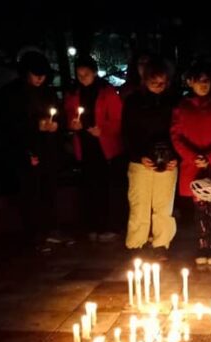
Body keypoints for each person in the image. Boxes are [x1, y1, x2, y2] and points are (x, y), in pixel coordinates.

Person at [0, 51, 64, 252]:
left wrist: (56, 125)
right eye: (35, 74)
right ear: (25, 72)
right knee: (30, 193)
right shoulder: (11, 93)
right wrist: (35, 125)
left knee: (49, 190)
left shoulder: (48, 92)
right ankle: (35, 236)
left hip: (47, 150)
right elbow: (6, 123)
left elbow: (58, 114)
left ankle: (52, 229)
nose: (40, 78)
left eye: (43, 74)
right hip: (24, 151)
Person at [170, 60, 211, 266]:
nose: (203, 84)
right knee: (199, 208)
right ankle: (202, 243)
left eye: (206, 80)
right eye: (199, 81)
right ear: (190, 82)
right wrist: (193, 157)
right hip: (194, 166)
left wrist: (210, 157)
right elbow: (176, 136)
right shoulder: (182, 107)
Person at [122, 58, 178, 259]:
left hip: (168, 160)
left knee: (163, 205)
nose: (159, 86)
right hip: (140, 162)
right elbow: (127, 133)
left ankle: (161, 243)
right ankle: (136, 244)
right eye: (154, 82)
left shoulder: (173, 102)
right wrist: (138, 155)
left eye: (163, 82)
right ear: (145, 80)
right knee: (140, 204)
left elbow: (179, 132)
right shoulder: (133, 102)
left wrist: (176, 157)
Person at [64, 55, 124, 243]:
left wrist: (103, 130)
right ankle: (92, 225)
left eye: (86, 74)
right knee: (89, 188)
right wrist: (72, 124)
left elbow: (117, 119)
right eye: (79, 75)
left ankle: (108, 225)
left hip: (105, 148)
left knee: (106, 188)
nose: (82, 78)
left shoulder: (107, 92)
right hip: (85, 147)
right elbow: (68, 114)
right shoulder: (73, 93)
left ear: (95, 72)